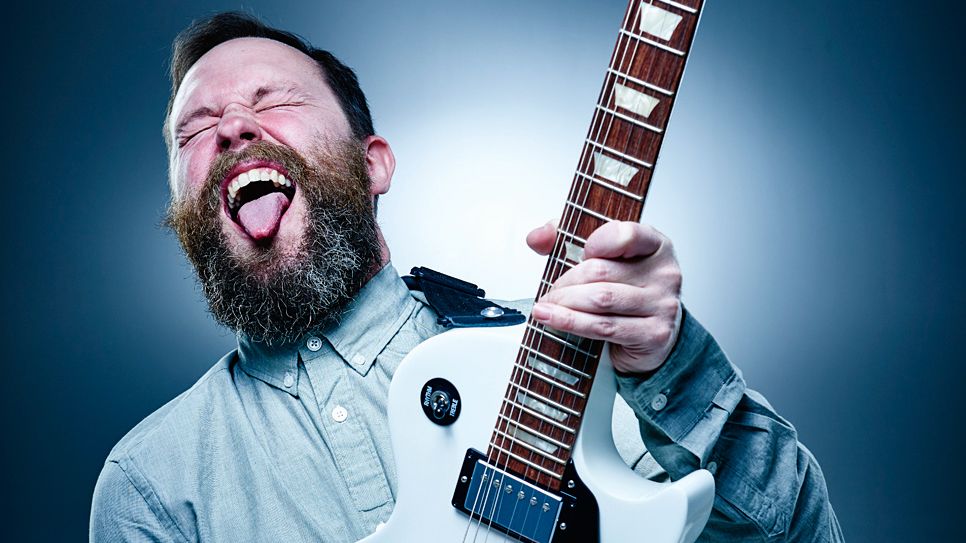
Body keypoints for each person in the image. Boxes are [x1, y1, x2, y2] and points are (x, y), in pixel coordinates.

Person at [90, 12, 843, 543]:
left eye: (273, 101)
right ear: (184, 211)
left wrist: (670, 365)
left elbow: (803, 534)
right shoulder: (152, 482)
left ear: (374, 162)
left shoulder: (568, 355)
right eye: (195, 129)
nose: (231, 129)